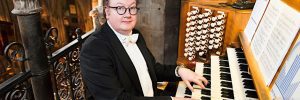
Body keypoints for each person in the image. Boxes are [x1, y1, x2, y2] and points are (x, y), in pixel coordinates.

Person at [79, 0, 208, 99]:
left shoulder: (136, 34)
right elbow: (117, 98)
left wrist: (179, 71)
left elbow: (152, 69)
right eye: (120, 8)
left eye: (132, 8)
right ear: (107, 12)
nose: (128, 14)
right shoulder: (94, 49)